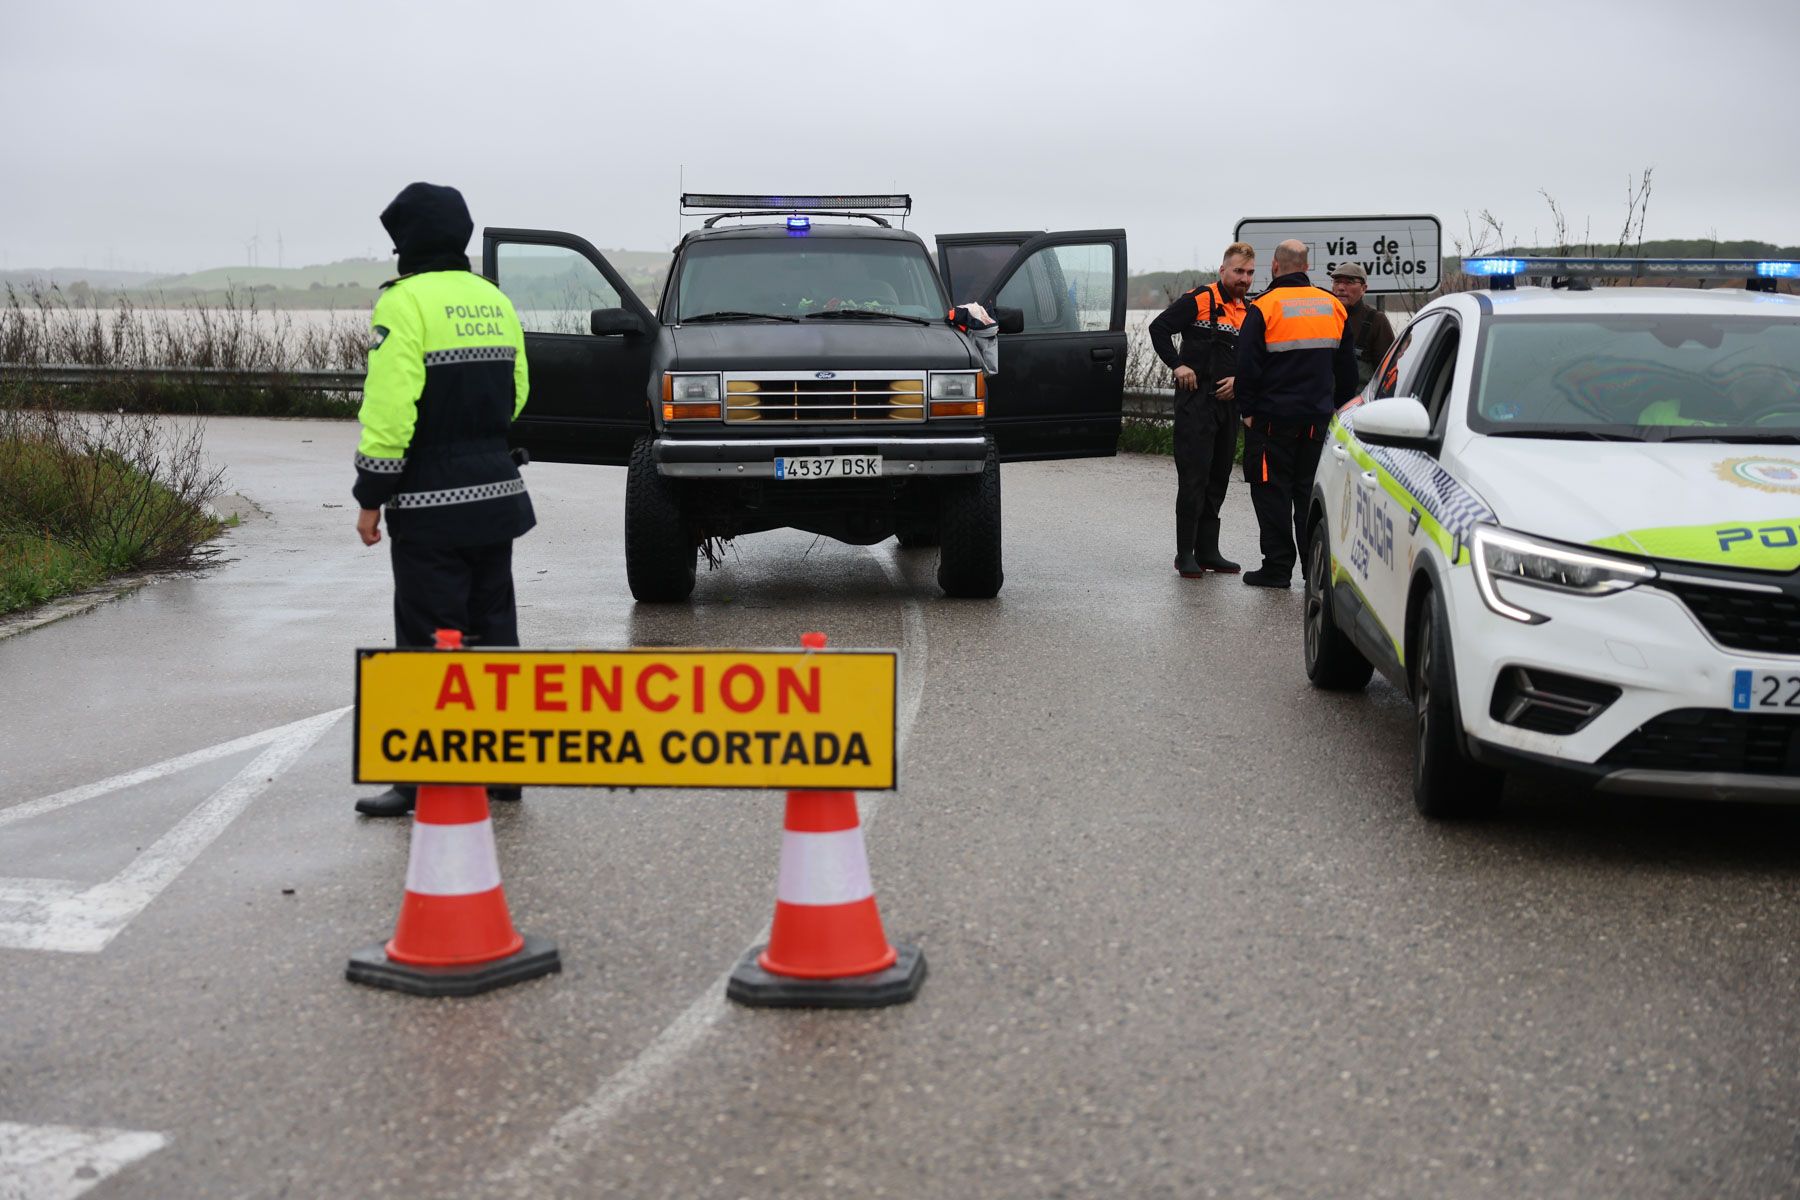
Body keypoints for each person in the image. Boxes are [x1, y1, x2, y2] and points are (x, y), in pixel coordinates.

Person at [350, 182, 536, 817]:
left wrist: (372, 493)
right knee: (494, 634)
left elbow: (390, 407)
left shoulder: (404, 305)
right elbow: (518, 393)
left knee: (430, 639)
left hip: (430, 505)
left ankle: (422, 778)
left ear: (404, 243)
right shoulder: (492, 299)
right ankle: (503, 771)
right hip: (497, 494)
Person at [1234, 239, 1359, 589]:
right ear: (1306, 267)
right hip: (1317, 422)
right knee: (1309, 493)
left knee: (1272, 493)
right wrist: (1337, 409)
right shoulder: (1332, 305)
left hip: (1272, 421)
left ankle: (1276, 568)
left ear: (1275, 266)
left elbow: (1247, 365)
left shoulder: (1265, 306)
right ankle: (1313, 568)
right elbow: (1347, 370)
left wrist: (1247, 410)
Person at [1148, 242, 1257, 576]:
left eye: (1250, 273)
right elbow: (1159, 328)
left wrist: (1240, 381)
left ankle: (1209, 551)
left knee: (1219, 477)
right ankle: (1185, 554)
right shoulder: (1200, 299)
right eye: (1238, 271)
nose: (1244, 279)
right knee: (1194, 478)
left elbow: (1255, 358)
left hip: (1229, 405)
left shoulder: (1250, 309)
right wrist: (1177, 365)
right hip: (1196, 402)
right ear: (1223, 270)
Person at [1330, 262, 1395, 390]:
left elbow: (1389, 374)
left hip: (1361, 407)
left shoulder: (1376, 321)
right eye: (1337, 282)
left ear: (1364, 288)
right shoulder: (1322, 317)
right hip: (1324, 406)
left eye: (1349, 282)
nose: (1341, 287)